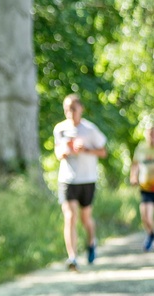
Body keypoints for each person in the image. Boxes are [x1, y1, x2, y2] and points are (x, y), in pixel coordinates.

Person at [53, 94, 108, 271]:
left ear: (81, 109)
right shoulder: (60, 129)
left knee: (85, 218)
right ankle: (73, 257)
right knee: (70, 216)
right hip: (67, 179)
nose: (70, 112)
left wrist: (85, 150)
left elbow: (103, 152)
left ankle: (92, 242)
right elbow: (57, 152)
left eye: (73, 109)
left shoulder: (90, 129)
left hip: (87, 179)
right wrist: (65, 152)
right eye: (67, 109)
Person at [130, 123, 154, 251]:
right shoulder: (141, 148)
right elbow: (135, 165)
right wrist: (133, 177)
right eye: (150, 133)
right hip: (145, 187)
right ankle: (150, 234)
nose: (152, 136)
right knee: (145, 216)